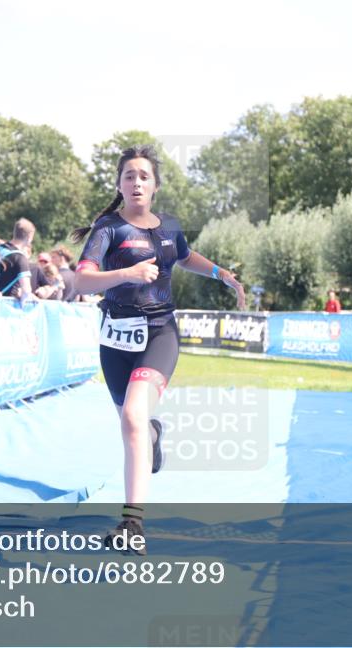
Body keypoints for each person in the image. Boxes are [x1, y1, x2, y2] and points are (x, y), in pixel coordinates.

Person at [71, 145, 245, 554]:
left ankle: (132, 523)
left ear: (155, 186)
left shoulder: (168, 226)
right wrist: (127, 273)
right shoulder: (107, 230)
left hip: (159, 333)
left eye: (143, 176)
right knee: (133, 425)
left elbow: (184, 257)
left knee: (131, 416)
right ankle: (153, 432)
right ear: (118, 184)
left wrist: (221, 273)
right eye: (128, 175)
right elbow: (82, 282)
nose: (136, 182)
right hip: (115, 338)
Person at [0, 218, 37, 300]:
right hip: (6, 305)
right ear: (29, 237)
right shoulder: (20, 258)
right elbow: (27, 290)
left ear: (14, 232)